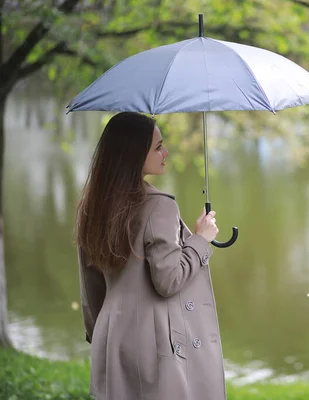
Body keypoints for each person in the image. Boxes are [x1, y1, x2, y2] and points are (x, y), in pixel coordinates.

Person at [76, 112, 227, 400]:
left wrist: (98, 333)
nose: (165, 152)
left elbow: (90, 283)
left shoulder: (92, 203)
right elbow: (168, 280)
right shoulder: (160, 208)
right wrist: (201, 239)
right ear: (133, 154)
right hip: (154, 339)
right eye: (158, 147)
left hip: (112, 335)